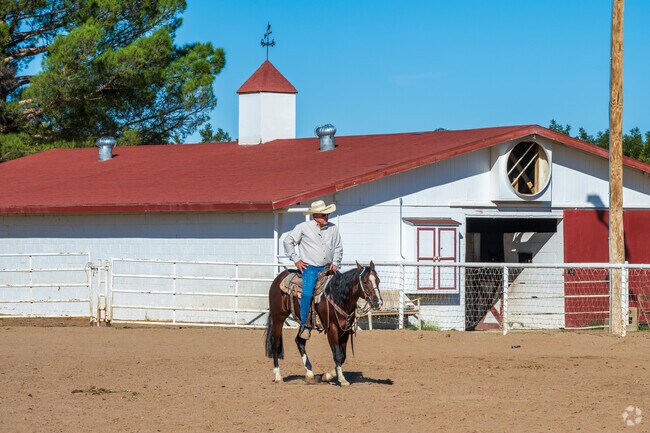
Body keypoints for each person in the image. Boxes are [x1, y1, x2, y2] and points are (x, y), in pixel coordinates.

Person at [283, 200, 343, 339]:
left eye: (327, 215)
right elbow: (288, 241)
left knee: (343, 289)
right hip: (310, 268)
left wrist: (335, 262)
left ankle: (345, 320)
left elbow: (338, 247)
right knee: (308, 294)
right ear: (315, 215)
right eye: (323, 215)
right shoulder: (303, 227)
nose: (326, 217)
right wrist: (296, 260)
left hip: (329, 267)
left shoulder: (333, 228)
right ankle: (305, 325)